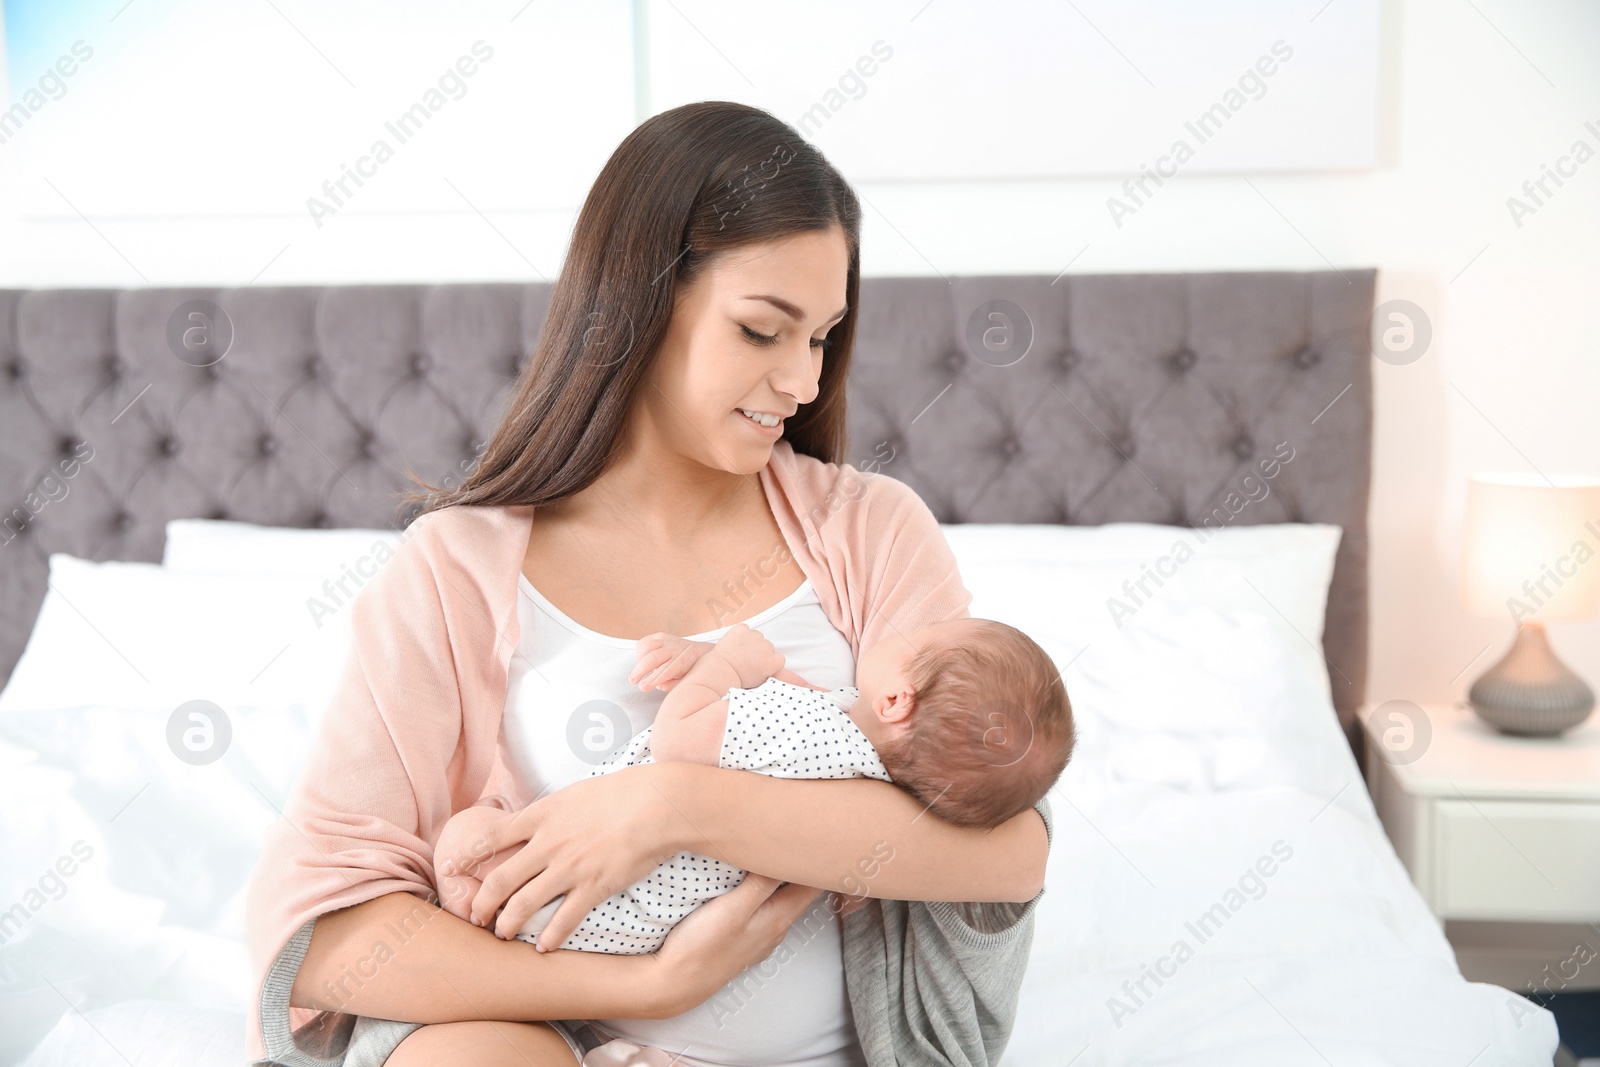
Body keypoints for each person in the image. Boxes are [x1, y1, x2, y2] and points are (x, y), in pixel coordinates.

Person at [243, 99, 1054, 1067]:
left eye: (822, 337)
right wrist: (644, 985)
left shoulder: (868, 528)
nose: (801, 379)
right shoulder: (454, 567)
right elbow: (326, 940)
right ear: (640, 299)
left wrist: (670, 807)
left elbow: (1007, 849)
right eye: (763, 329)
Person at [434, 617, 1074, 956]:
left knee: (463, 840)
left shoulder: (795, 725)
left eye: (921, 636)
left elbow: (678, 743)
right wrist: (718, 667)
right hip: (643, 927)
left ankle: (464, 893)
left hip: (576, 895)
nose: (905, 629)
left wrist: (724, 665)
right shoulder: (868, 769)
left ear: (898, 697)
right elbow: (800, 702)